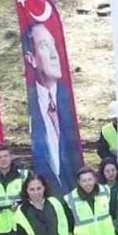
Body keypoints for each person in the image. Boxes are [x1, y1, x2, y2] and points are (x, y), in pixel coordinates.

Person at [22, 22, 83, 192]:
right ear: (31, 59)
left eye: (53, 45)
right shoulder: (31, 104)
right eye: (44, 46)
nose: (54, 55)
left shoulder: (67, 100)